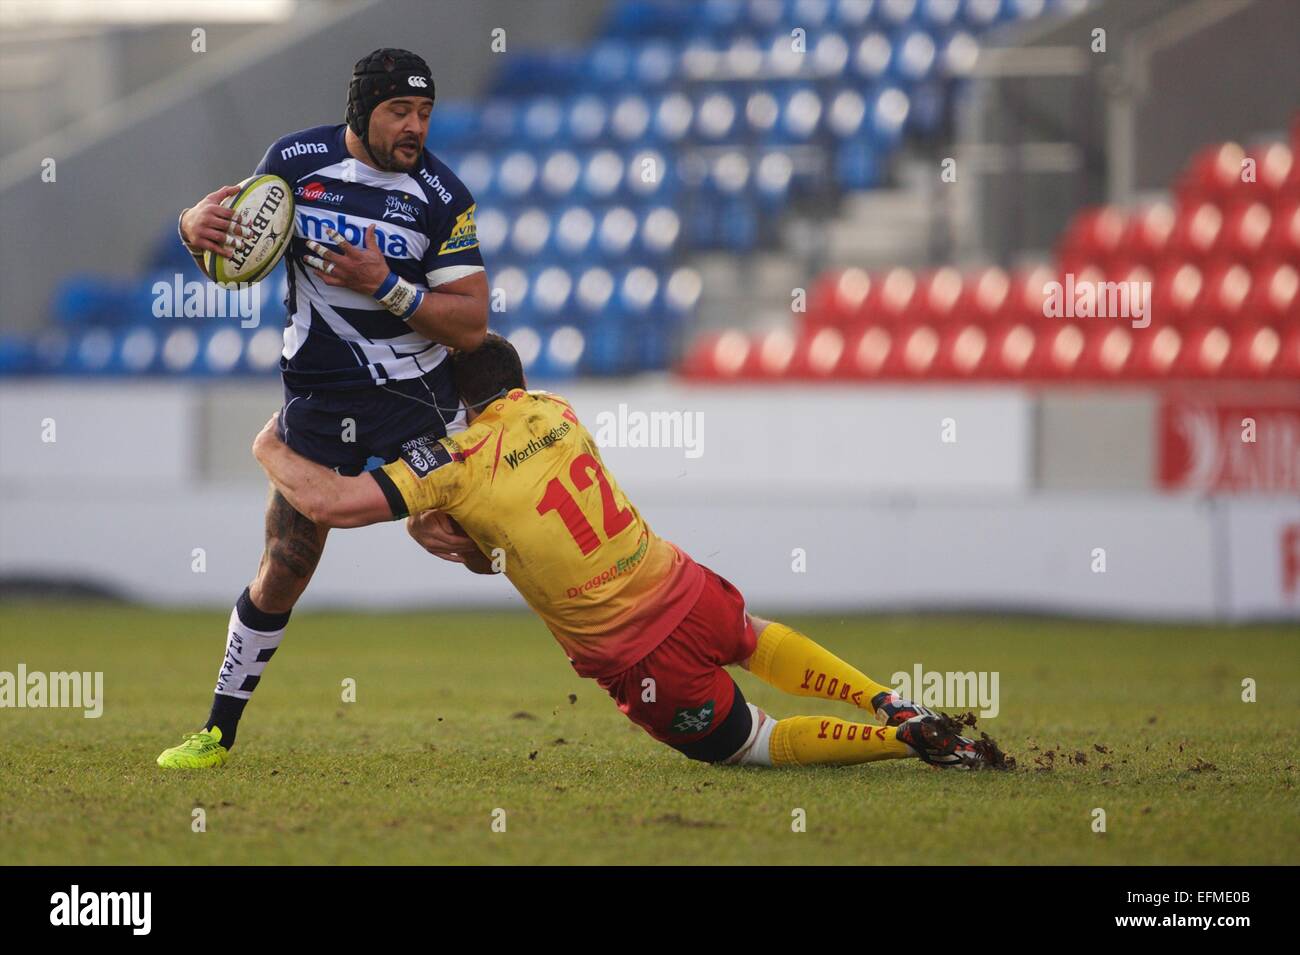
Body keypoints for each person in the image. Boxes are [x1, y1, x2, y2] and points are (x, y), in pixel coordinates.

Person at [248, 334, 1001, 770]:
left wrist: (270, 447)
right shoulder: (558, 412)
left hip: (641, 657)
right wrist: (467, 541)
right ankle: (888, 698)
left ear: (462, 403)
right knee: (753, 635)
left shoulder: (459, 458)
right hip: (682, 582)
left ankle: (897, 742)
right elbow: (511, 543)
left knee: (754, 745)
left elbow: (329, 504)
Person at [157, 49, 487, 769]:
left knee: (484, 549)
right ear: (361, 108)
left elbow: (470, 324)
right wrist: (191, 228)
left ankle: (631, 659)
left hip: (418, 402)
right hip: (319, 398)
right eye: (400, 111)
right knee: (284, 563)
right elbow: (234, 248)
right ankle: (217, 731)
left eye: (425, 114)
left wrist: (386, 285)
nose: (414, 128)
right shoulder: (295, 162)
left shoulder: (443, 195)